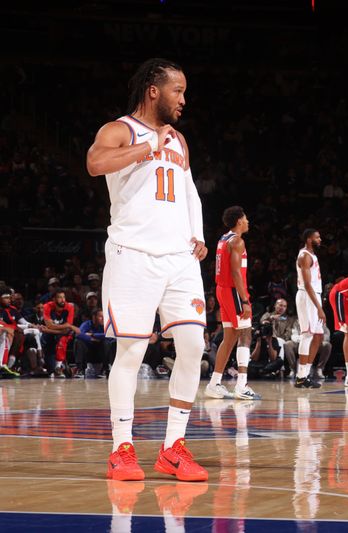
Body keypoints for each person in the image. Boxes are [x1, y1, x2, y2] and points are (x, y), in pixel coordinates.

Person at [86, 58, 208, 482]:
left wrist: (198, 232)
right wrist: (150, 145)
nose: (184, 100)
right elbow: (96, 164)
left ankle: (173, 448)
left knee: (192, 344)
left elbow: (188, 191)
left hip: (178, 258)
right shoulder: (119, 129)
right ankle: (122, 448)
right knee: (132, 352)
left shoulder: (181, 140)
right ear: (154, 90)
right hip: (133, 254)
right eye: (178, 90)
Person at [205, 206, 261, 401]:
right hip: (233, 291)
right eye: (245, 218)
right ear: (239, 221)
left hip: (222, 290)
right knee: (245, 333)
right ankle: (241, 384)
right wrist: (244, 299)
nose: (247, 221)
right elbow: (236, 272)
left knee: (229, 337)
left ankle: (214, 383)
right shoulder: (237, 241)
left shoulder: (223, 239)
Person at [294, 229, 325, 389]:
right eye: (317, 237)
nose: (320, 239)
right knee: (307, 335)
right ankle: (301, 376)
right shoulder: (304, 255)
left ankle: (305, 373)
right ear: (308, 239)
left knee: (318, 336)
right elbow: (307, 284)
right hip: (307, 296)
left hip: (314, 295)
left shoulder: (312, 255)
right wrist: (319, 307)